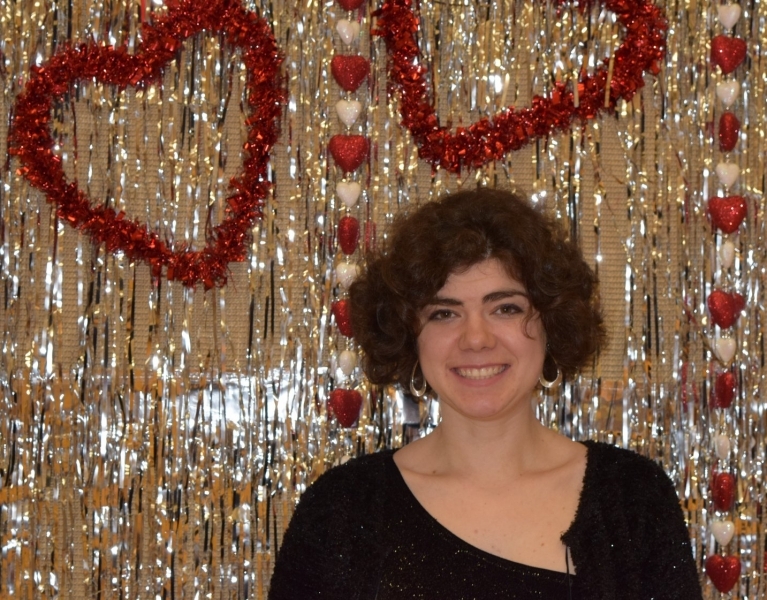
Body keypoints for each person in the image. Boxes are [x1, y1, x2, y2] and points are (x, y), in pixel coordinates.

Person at [268, 188, 702, 599]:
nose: (476, 339)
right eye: (444, 313)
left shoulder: (632, 499)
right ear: (409, 336)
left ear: (552, 325)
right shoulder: (342, 510)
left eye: (505, 308)